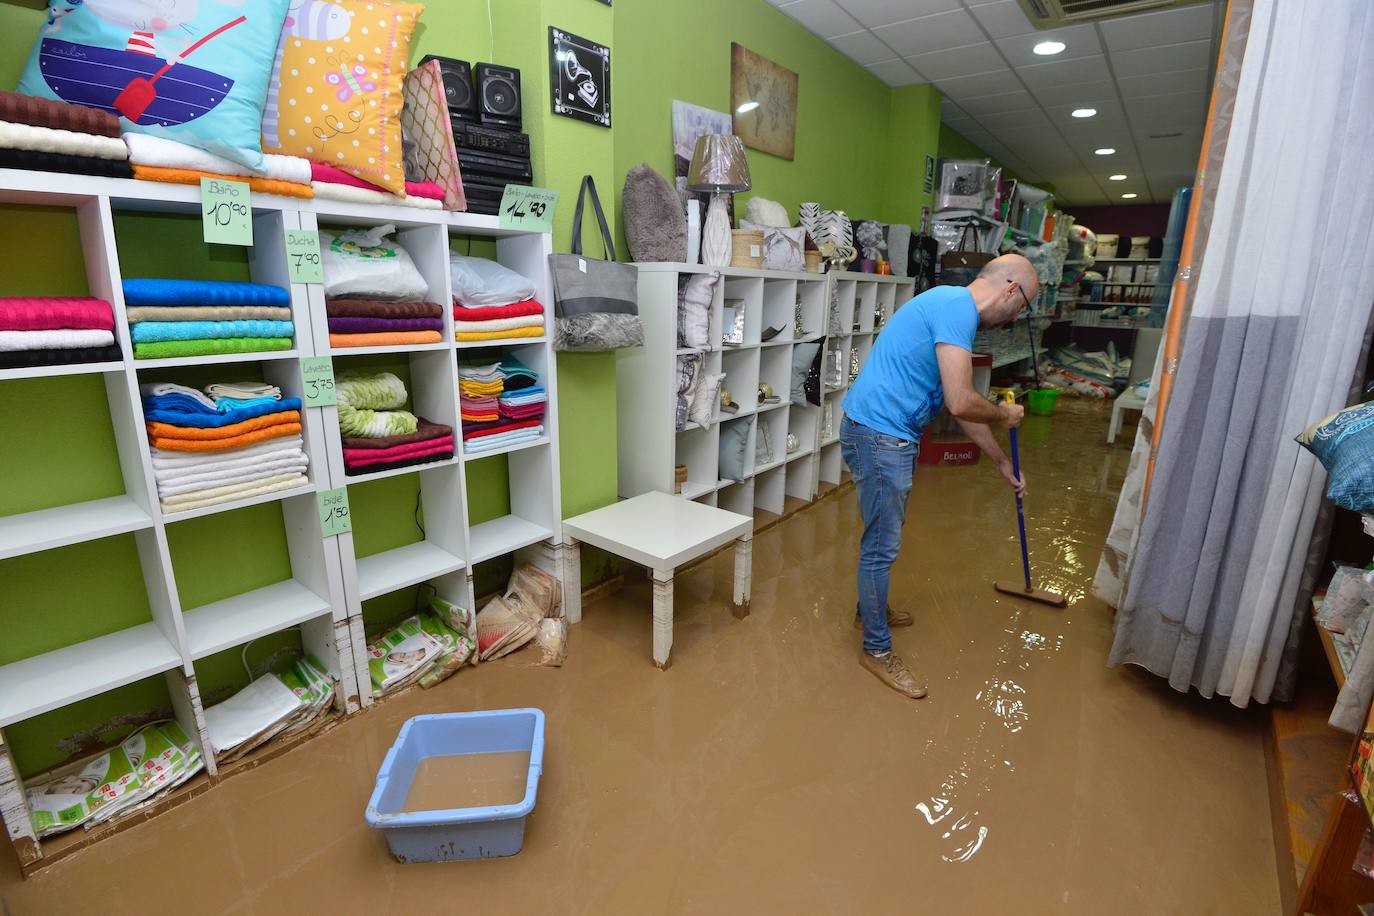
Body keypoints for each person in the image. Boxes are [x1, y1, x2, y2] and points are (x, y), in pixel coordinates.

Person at [840, 254, 1038, 699]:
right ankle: (875, 649)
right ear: (1010, 289)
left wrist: (999, 460)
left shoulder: (953, 309)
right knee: (881, 545)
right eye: (1023, 305)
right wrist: (1005, 414)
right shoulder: (956, 311)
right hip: (879, 435)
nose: (1016, 317)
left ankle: (867, 610)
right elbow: (962, 401)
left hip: (880, 431)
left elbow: (958, 403)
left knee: (883, 535)